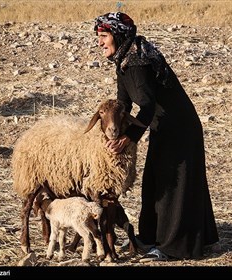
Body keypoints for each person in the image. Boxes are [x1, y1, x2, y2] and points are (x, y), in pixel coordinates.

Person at [94, 12, 219, 262]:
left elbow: (147, 106)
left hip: (179, 128)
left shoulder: (137, 63)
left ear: (118, 36)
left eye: (104, 36)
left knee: (171, 186)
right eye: (98, 37)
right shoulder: (125, 60)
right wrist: (111, 128)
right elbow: (123, 104)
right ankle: (152, 237)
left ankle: (174, 247)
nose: (99, 42)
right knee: (153, 180)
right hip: (163, 126)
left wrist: (128, 138)